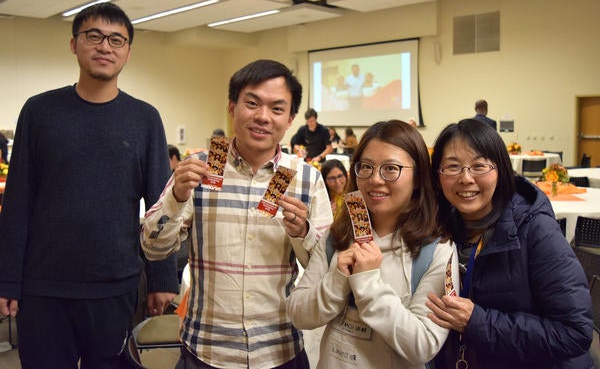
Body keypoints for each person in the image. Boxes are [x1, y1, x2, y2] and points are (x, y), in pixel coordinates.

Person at [0, 2, 178, 368]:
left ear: (128, 51)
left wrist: (163, 278)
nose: (105, 46)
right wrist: (8, 280)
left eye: (116, 39)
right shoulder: (40, 111)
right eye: (93, 36)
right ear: (74, 44)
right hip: (44, 285)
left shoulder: (144, 119)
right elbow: (17, 202)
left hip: (115, 284)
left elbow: (164, 206)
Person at [141, 59, 334, 368]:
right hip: (206, 349)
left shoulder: (307, 179)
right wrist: (177, 197)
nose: (262, 117)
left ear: (290, 119)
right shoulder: (199, 169)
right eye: (252, 103)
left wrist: (304, 234)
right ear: (232, 107)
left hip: (279, 349)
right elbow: (153, 248)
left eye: (276, 108)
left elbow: (326, 270)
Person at [287, 119, 458, 368]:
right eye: (365, 167)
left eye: (391, 168)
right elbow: (297, 312)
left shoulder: (437, 251)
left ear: (419, 176)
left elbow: (424, 344)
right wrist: (337, 279)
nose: (375, 179)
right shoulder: (338, 237)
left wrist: (367, 283)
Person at [426, 118, 593, 368]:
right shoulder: (440, 226)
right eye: (452, 167)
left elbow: (575, 333)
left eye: (479, 165)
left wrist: (477, 322)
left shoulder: (535, 229)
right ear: (437, 175)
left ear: (501, 169)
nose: (466, 178)